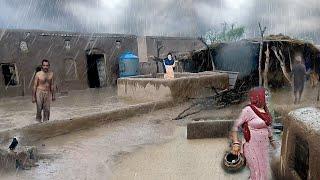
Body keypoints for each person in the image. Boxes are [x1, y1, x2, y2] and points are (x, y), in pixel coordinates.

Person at [230, 87, 276, 180]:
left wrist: (275, 144)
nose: (267, 97)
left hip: (264, 147)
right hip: (251, 146)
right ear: (257, 96)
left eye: (268, 94)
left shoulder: (266, 111)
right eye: (265, 94)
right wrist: (235, 143)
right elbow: (235, 126)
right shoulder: (248, 110)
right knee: (256, 171)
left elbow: (268, 128)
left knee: (264, 172)